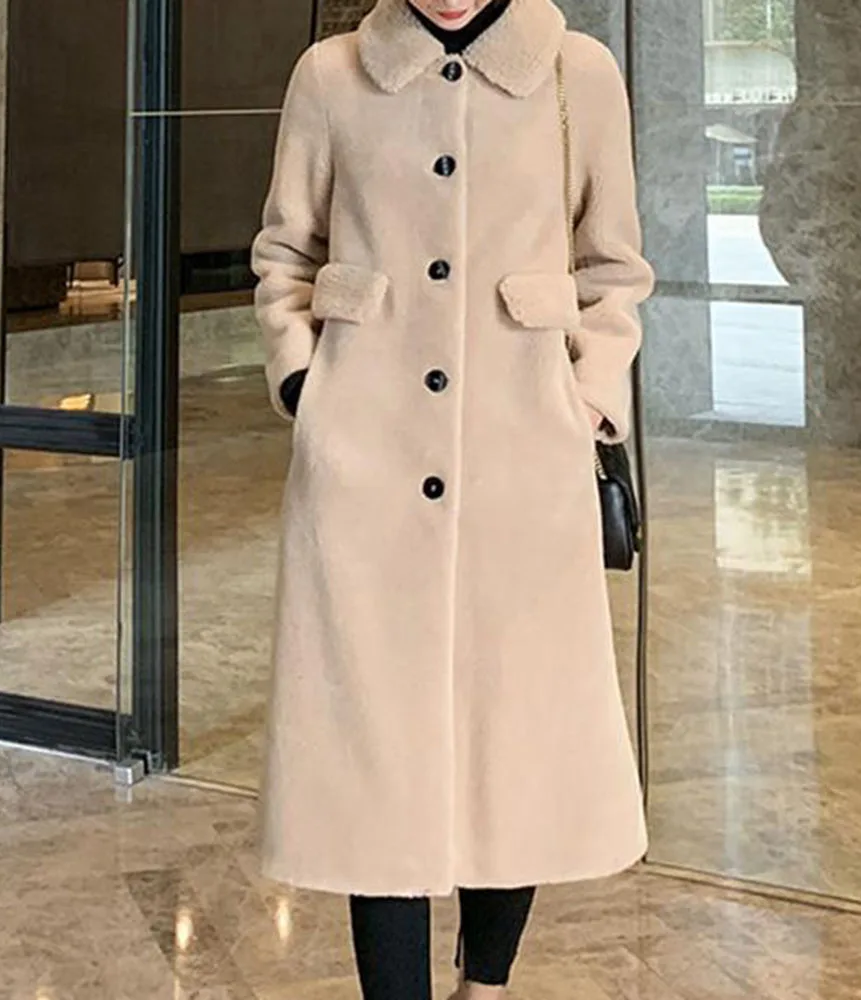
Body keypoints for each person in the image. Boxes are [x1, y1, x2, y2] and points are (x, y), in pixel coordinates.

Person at [251, 1, 654, 997]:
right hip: (365, 465)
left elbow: (613, 269)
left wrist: (586, 400)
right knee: (371, 755)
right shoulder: (331, 76)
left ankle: (488, 981)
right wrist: (305, 383)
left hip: (526, 461)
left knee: (512, 737)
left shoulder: (576, 73)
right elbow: (285, 253)